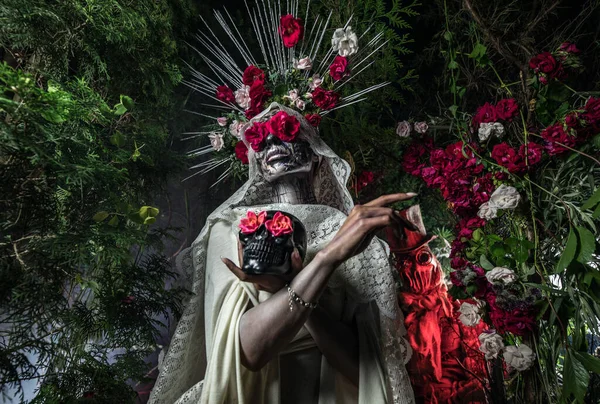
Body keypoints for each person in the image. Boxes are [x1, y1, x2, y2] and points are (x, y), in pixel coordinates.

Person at [148, 103, 415, 404]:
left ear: (316, 152)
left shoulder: (352, 233)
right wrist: (328, 258)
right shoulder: (231, 228)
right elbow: (247, 352)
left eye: (285, 131)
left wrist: (293, 286)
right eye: (261, 139)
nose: (273, 144)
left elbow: (365, 372)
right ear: (255, 160)